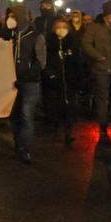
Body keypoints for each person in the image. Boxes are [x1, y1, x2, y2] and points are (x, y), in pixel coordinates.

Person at [0, 5, 46, 164]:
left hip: (29, 82)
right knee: (14, 117)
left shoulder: (35, 36)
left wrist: (26, 74)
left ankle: (25, 149)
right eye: (9, 16)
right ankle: (17, 145)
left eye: (13, 16)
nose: (10, 19)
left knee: (26, 116)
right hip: (11, 82)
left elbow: (41, 62)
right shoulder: (8, 36)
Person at [81, 1, 111, 133]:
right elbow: (86, 44)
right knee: (102, 96)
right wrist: (98, 56)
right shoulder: (94, 27)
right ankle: (103, 122)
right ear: (106, 15)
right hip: (101, 67)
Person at [43, 18, 81, 146]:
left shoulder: (73, 43)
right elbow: (45, 60)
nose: (61, 29)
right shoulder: (49, 43)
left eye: (64, 27)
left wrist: (78, 78)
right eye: (58, 27)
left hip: (69, 80)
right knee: (54, 105)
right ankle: (54, 127)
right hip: (54, 81)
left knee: (70, 107)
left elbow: (78, 62)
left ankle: (68, 131)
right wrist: (50, 74)